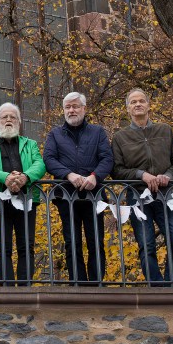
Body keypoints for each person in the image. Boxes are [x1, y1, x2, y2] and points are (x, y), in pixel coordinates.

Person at [112, 88, 173, 287]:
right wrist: (141, 175)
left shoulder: (165, 130)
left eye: (141, 101)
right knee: (146, 244)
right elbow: (116, 171)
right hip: (138, 197)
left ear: (148, 105)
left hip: (166, 195)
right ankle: (156, 288)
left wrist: (168, 175)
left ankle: (172, 287)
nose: (138, 104)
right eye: (133, 102)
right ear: (127, 109)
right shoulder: (120, 137)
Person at [42, 92, 113, 286]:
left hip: (94, 195)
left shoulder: (98, 132)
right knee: (72, 242)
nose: (71, 110)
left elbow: (107, 158)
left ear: (84, 108)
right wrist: (69, 175)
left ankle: (96, 285)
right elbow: (49, 159)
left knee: (95, 241)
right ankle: (78, 285)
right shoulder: (55, 134)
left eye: (75, 106)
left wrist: (95, 177)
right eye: (67, 107)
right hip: (66, 196)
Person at [0, 102, 45, 286]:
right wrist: (6, 178)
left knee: (26, 246)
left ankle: (25, 288)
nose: (8, 120)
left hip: (26, 199)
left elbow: (39, 165)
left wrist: (24, 177)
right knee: (2, 246)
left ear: (19, 122)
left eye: (12, 117)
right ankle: (7, 288)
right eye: (4, 117)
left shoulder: (30, 144)